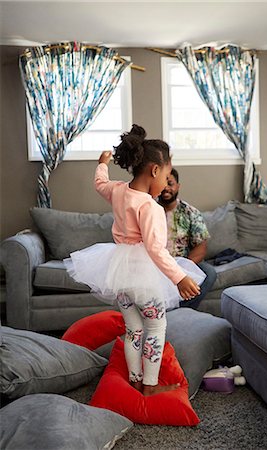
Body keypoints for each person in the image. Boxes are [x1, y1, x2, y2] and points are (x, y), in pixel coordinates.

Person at [64, 124, 206, 397]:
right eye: (166, 176)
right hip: (141, 274)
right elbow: (156, 250)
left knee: (134, 328)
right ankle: (150, 386)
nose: (166, 183)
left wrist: (102, 164)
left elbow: (100, 184)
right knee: (155, 325)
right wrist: (179, 277)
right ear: (154, 170)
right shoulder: (149, 206)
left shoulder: (118, 190)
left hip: (119, 273)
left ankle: (135, 380)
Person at [158, 168, 217, 310]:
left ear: (178, 186)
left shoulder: (190, 212)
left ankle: (182, 308)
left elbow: (201, 247)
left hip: (182, 262)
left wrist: (182, 268)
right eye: (162, 183)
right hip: (155, 262)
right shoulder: (148, 208)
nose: (166, 188)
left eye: (170, 184)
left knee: (209, 273)